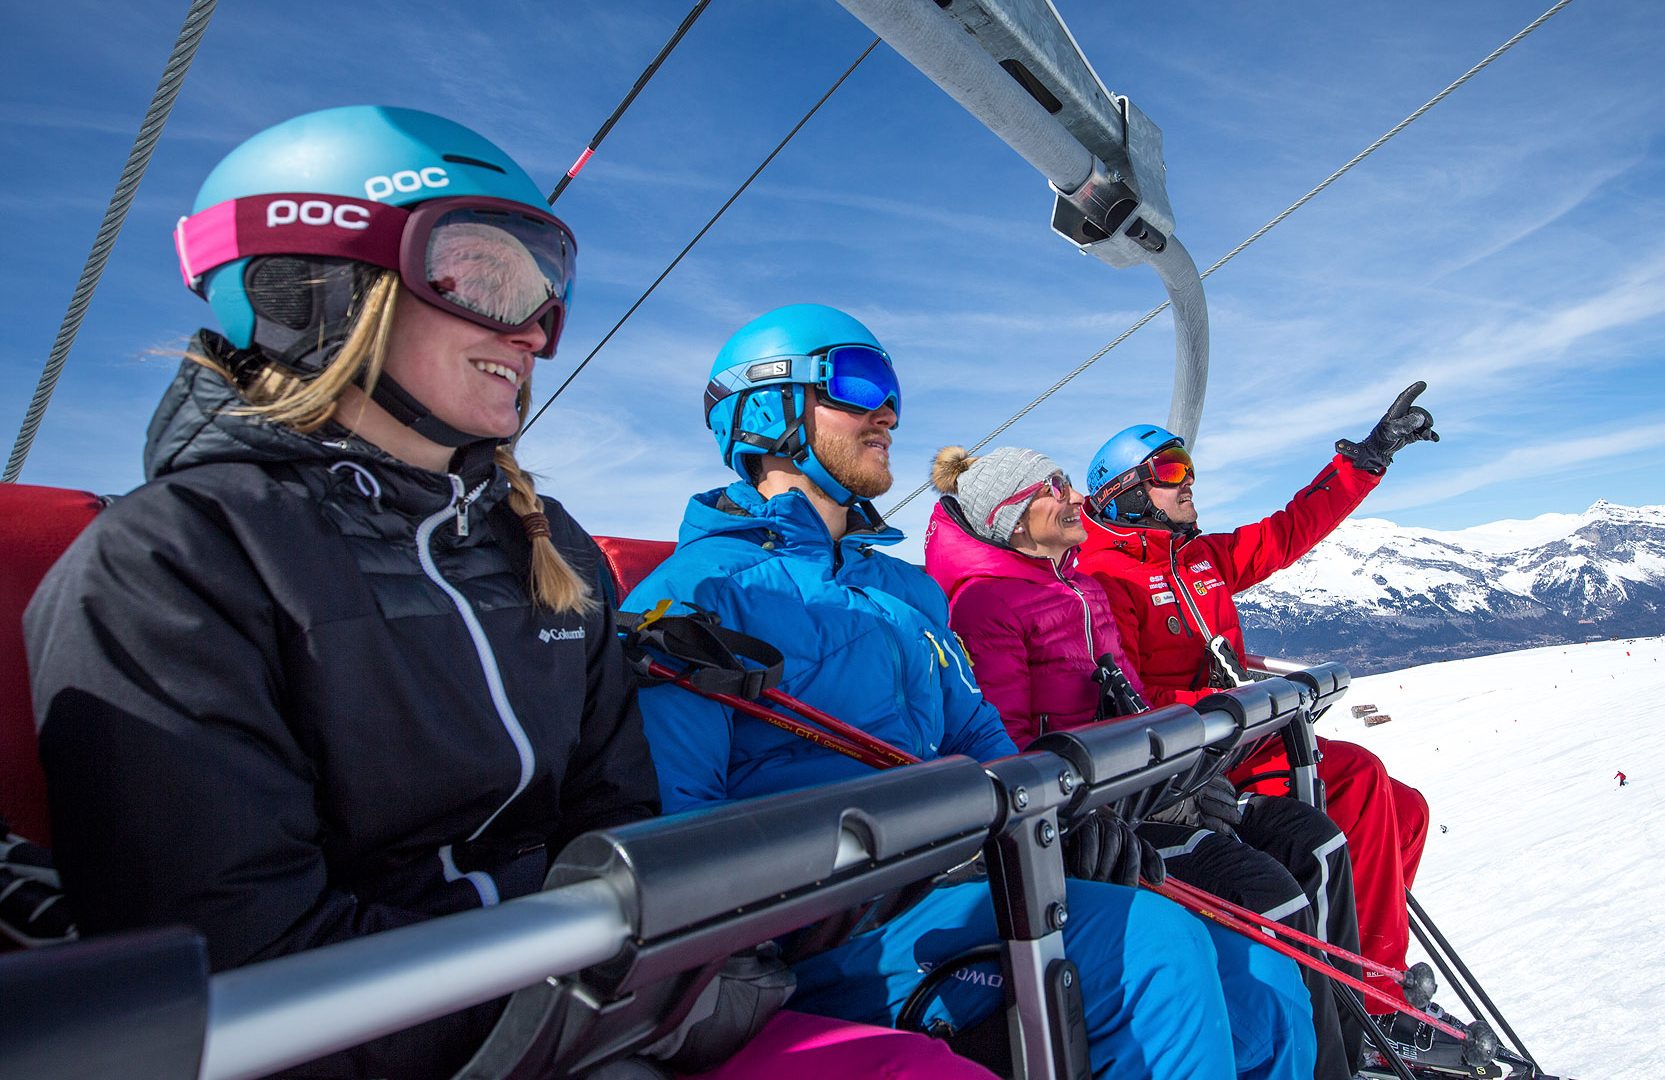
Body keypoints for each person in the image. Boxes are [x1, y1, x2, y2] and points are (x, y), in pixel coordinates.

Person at [24, 106, 983, 1079]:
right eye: (485, 276)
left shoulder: (543, 546)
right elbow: (241, 964)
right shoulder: (175, 567)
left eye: (545, 296)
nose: (532, 330)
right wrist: (607, 975)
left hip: (629, 1006)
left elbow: (631, 822)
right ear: (314, 282)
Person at [623, 303, 1317, 1080]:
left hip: (959, 877)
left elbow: (985, 738)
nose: (886, 411)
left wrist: (1061, 824)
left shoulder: (906, 592)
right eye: (858, 383)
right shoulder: (696, 599)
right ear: (764, 410)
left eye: (892, 391)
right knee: (1158, 952)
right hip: (842, 934)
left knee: (1263, 983)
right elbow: (680, 831)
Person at [923, 444, 1369, 1080]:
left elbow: (1134, 716)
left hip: (1141, 791)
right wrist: (1082, 813)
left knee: (1312, 840)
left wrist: (1190, 778)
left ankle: (1351, 1041)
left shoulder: (1083, 591)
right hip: (1084, 814)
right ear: (1015, 518)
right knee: (1265, 893)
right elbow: (1005, 748)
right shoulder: (987, 605)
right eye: (1055, 488)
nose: (1076, 498)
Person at [1077, 392, 1439, 1025]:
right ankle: (1372, 1002)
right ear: (1125, 492)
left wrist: (1368, 459)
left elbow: (1290, 530)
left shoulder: (1200, 558)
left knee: (1406, 811)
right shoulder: (1106, 577)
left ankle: (1363, 960)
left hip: (1245, 734)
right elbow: (1128, 697)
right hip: (1194, 760)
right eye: (1168, 472)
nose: (1187, 483)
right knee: (1358, 779)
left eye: (1187, 468)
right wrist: (1224, 701)